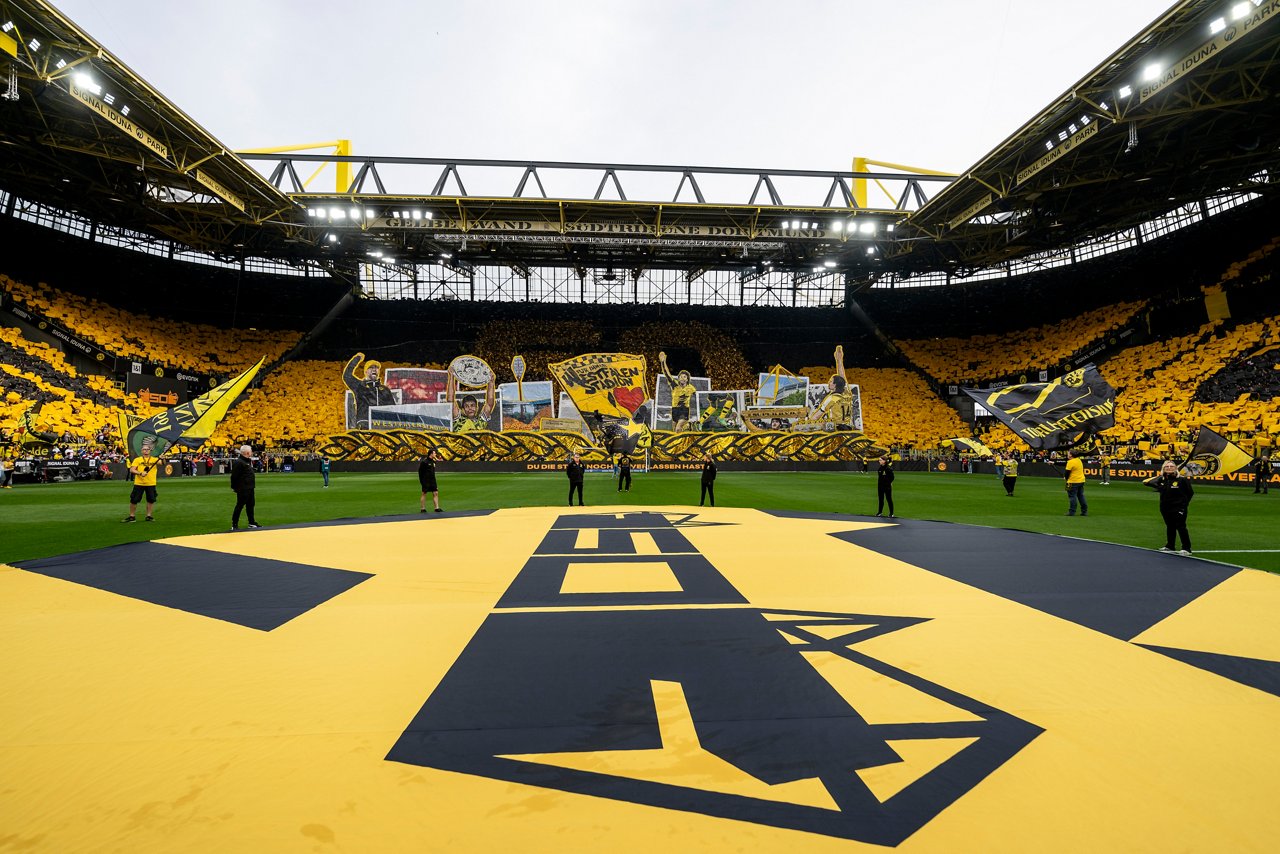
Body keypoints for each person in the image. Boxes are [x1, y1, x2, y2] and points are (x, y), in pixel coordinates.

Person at [1144, 460, 1193, 555]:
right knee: (1170, 527)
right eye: (1167, 467)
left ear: (1175, 468)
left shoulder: (1182, 480)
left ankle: (1186, 548)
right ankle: (1170, 546)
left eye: (1171, 466)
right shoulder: (1162, 480)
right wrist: (1160, 476)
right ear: (1163, 469)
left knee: (1181, 527)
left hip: (1179, 508)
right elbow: (1146, 482)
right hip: (1165, 508)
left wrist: (1183, 506)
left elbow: (1190, 493)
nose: (1169, 468)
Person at [342, 353, 398, 430]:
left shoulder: (385, 389)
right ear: (365, 372)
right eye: (371, 367)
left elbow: (393, 409)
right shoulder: (359, 386)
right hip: (365, 424)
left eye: (376, 367)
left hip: (382, 425)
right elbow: (347, 376)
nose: (374, 369)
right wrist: (356, 359)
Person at [817, 345, 855, 431]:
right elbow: (843, 378)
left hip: (836, 429)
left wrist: (807, 425)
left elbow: (817, 416)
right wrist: (839, 360)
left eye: (830, 381)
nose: (828, 382)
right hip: (847, 427)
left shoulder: (831, 398)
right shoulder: (847, 393)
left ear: (835, 385)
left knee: (819, 424)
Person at [658, 351, 697, 432]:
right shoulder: (674, 385)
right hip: (674, 410)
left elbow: (699, 397)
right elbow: (666, 373)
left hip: (684, 410)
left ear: (687, 379)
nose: (682, 378)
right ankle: (687, 426)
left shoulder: (691, 388)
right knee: (674, 432)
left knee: (678, 428)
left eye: (684, 377)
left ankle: (687, 424)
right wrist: (663, 362)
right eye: (680, 377)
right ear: (678, 378)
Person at [123, 441, 160, 522]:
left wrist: (163, 457)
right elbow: (132, 470)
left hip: (151, 483)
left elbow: (162, 463)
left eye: (147, 449)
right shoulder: (137, 460)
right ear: (141, 451)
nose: (146, 450)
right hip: (139, 483)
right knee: (134, 500)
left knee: (151, 500)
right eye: (144, 449)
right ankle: (132, 516)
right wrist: (140, 473)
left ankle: (149, 516)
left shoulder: (155, 459)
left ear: (150, 451)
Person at [230, 444, 259, 530]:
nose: (251, 453)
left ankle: (251, 522)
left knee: (250, 505)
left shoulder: (246, 461)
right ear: (247, 452)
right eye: (250, 451)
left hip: (250, 487)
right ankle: (234, 524)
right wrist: (234, 487)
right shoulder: (239, 462)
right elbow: (234, 476)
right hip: (243, 488)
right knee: (239, 506)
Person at [1061, 449, 1088, 516]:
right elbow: (1065, 463)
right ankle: (1084, 511)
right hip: (1081, 481)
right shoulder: (1078, 460)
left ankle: (1072, 511)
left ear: (1071, 455)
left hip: (1073, 482)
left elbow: (1067, 473)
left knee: (1072, 496)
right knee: (1081, 496)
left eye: (1068, 453)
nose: (1067, 454)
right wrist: (1053, 463)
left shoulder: (1070, 462)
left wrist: (1065, 478)